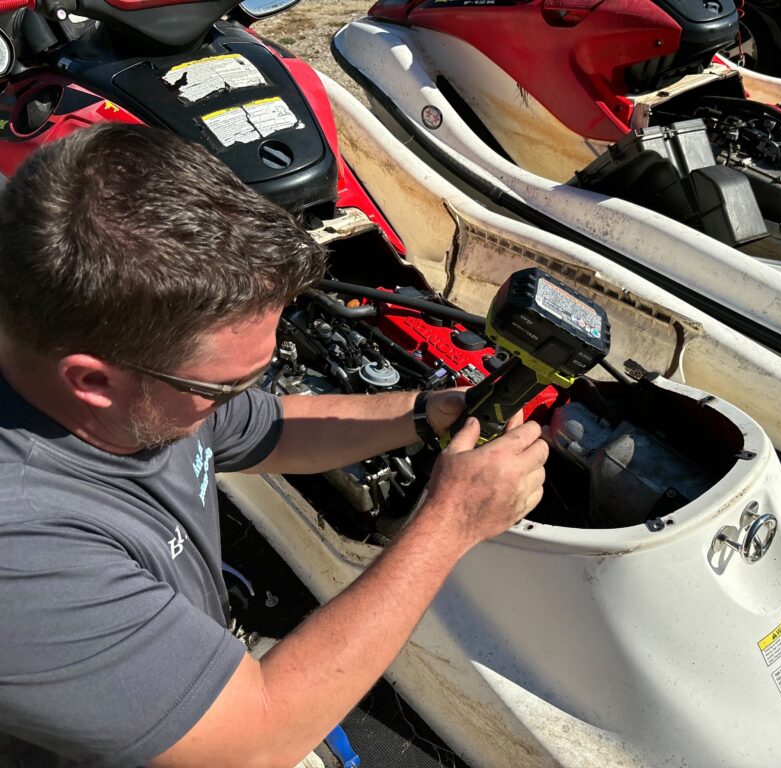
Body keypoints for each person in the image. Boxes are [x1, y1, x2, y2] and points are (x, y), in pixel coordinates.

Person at [0, 123, 549, 767]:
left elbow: (264, 427)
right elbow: (255, 744)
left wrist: (424, 413)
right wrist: (451, 523)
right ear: (93, 380)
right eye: (226, 384)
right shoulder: (25, 551)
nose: (238, 396)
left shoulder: (124, 370)